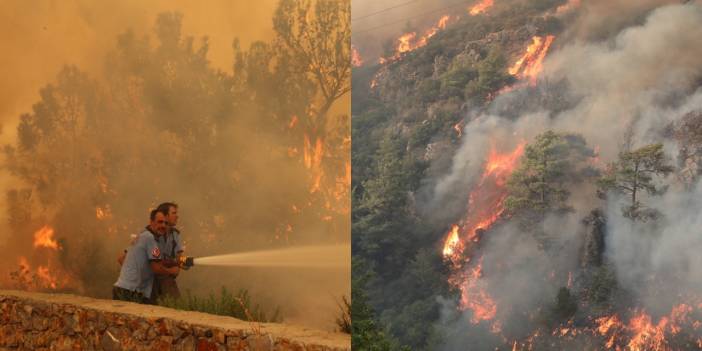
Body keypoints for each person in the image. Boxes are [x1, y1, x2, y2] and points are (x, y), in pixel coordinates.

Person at [113, 209, 179, 304]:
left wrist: (133, 274)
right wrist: (172, 271)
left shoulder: (141, 235)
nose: (163, 226)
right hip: (132, 292)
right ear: (151, 222)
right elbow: (156, 268)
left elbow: (121, 259)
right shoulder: (150, 238)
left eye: (166, 223)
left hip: (121, 288)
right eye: (160, 222)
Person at [151, 202, 185, 301]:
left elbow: (180, 257)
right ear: (165, 216)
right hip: (151, 278)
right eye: (174, 213)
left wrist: (184, 261)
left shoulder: (175, 235)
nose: (177, 216)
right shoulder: (151, 234)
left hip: (165, 278)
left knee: (176, 305)